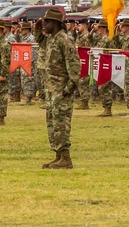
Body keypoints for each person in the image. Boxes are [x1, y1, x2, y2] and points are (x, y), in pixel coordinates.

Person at [35, 9, 82, 169]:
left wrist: (67, 90)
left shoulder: (64, 41)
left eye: (47, 22)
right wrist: (38, 25)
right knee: (53, 123)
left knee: (61, 123)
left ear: (55, 24)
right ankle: (58, 156)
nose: (44, 25)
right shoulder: (51, 39)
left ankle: (66, 158)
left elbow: (75, 67)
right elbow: (39, 38)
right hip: (51, 90)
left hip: (61, 90)